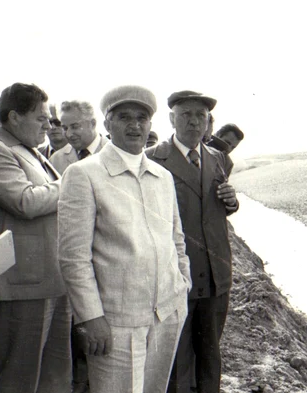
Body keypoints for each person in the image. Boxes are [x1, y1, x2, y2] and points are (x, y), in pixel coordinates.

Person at [58, 85, 191, 393]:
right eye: (124, 117)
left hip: (167, 314)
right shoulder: (84, 174)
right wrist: (91, 318)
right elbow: (73, 257)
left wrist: (182, 285)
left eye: (142, 118)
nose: (134, 125)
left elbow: (176, 238)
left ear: (150, 124)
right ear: (107, 124)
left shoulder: (162, 176)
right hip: (117, 321)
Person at [146, 90, 238, 393]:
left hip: (214, 274)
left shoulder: (218, 158)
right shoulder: (153, 159)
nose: (194, 121)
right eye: (186, 114)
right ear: (172, 118)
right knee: (176, 357)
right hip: (175, 275)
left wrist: (231, 201)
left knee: (211, 353)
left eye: (201, 115)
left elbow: (217, 207)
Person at [0, 83, 70, 393]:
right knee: (21, 380)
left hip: (52, 278)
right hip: (25, 285)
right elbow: (24, 201)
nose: (49, 126)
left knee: (54, 378)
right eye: (41, 118)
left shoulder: (29, 151)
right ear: (14, 117)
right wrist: (72, 184)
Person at [50, 100, 109, 174]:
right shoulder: (56, 160)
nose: (69, 134)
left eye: (75, 127)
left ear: (93, 124)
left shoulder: (115, 153)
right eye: (65, 128)